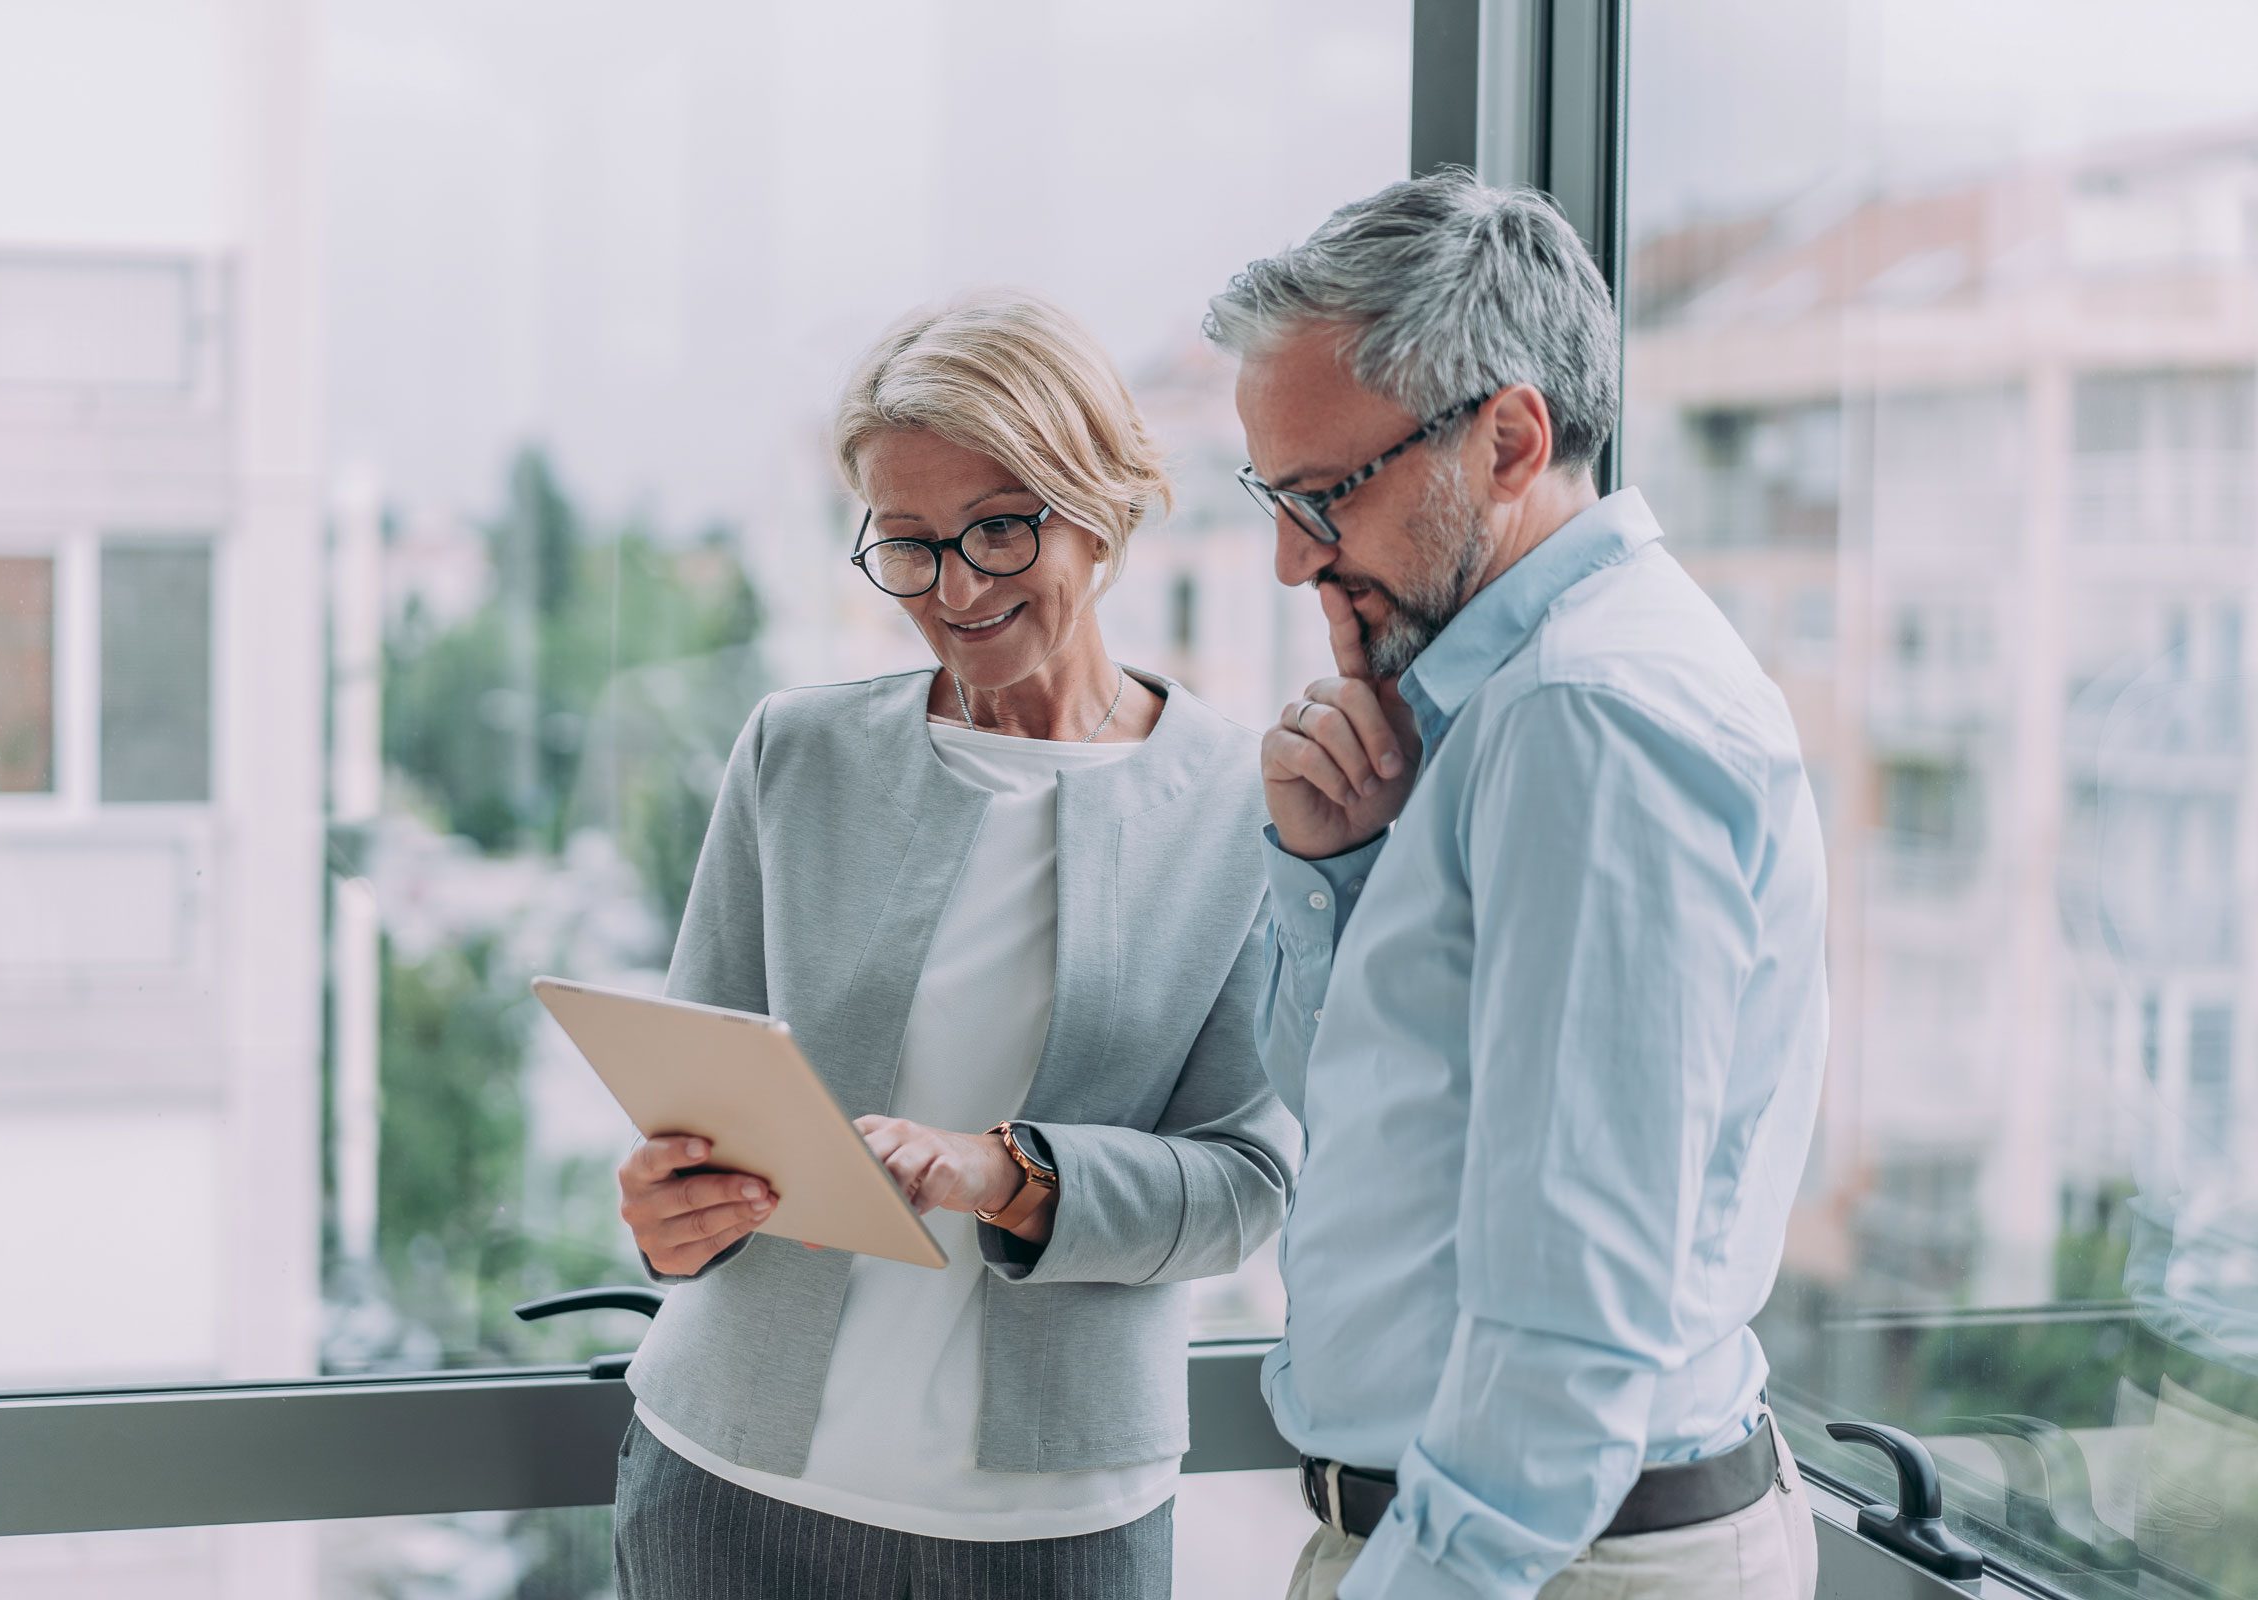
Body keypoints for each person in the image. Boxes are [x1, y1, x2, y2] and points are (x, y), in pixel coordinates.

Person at [607, 289, 1298, 1599]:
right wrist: (664, 1212)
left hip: (1055, 1529)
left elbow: (1247, 1186)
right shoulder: (796, 756)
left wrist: (1010, 1174)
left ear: (1100, 503)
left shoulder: (1240, 806)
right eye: (909, 545)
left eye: (997, 528)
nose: (956, 588)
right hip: (728, 1485)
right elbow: (691, 1105)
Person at [1204, 170, 1831, 1599]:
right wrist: (1335, 868)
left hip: (1541, 1564)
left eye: (1323, 498)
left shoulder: (1588, 719)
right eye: (1270, 497)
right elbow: (1377, 1110)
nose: (1294, 558)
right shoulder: (1499, 708)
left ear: (1508, 438)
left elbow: (1578, 1312)